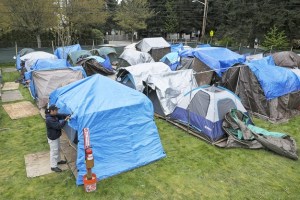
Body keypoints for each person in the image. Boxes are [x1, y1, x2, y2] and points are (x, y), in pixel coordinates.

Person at [45, 104, 71, 172]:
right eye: (56, 110)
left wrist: (68, 114)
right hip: (53, 138)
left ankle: (58, 160)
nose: (57, 111)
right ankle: (53, 166)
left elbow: (61, 115)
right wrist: (65, 120)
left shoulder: (54, 115)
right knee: (54, 151)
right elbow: (59, 126)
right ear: (52, 111)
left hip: (56, 136)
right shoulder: (49, 119)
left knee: (58, 149)